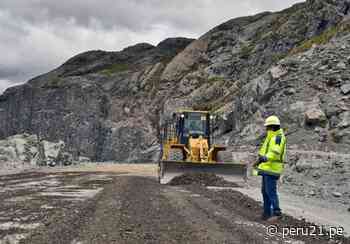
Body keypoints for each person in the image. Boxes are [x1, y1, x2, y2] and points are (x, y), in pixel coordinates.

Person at [253, 115, 287, 222]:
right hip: (267, 168)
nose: (266, 129)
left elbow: (275, 152)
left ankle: (277, 213)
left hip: (272, 168)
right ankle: (267, 213)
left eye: (267, 127)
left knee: (270, 191)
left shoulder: (278, 137)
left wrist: (265, 158)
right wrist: (259, 161)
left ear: (272, 127)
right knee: (265, 191)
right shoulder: (271, 136)